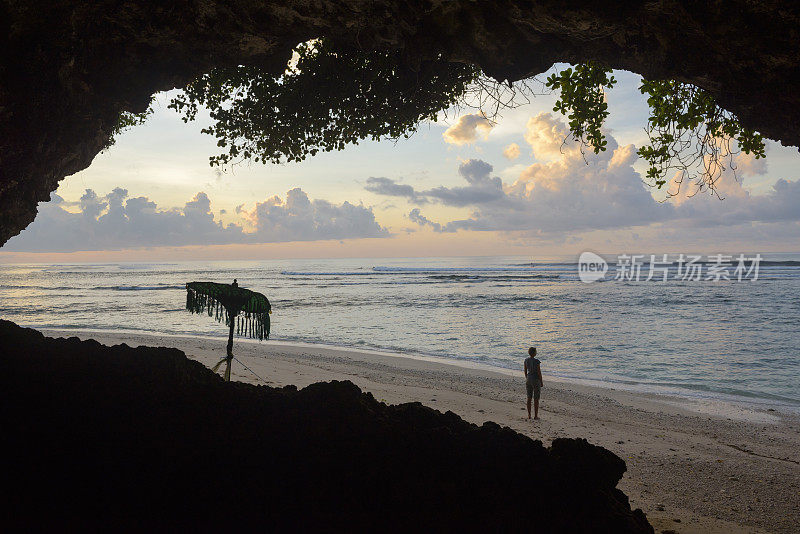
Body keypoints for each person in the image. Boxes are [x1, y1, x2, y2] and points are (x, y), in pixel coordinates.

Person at [523, 347, 543, 420]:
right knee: (536, 398)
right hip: (535, 379)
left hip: (528, 378)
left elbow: (525, 371)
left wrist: (527, 377)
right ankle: (536, 415)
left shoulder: (526, 360)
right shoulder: (536, 361)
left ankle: (529, 415)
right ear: (534, 353)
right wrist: (541, 381)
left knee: (529, 397)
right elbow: (539, 372)